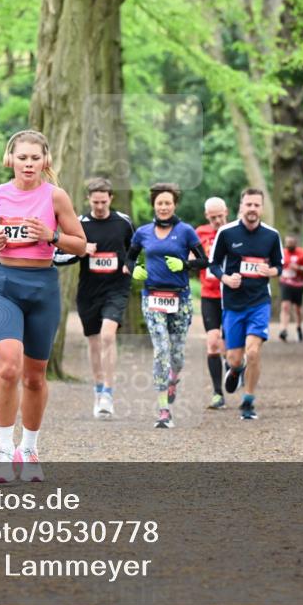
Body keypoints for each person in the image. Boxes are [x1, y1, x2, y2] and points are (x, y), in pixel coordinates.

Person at [0, 130, 87, 483]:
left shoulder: (56, 198)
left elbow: (82, 246)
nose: (28, 164)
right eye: (22, 157)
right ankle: (4, 450)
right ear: (10, 159)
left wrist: (51, 236)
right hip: (5, 285)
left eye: (34, 158)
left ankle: (30, 447)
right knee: (8, 367)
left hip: (43, 288)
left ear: (45, 161)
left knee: (35, 376)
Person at [124, 183, 208, 429]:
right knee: (161, 350)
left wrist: (185, 265)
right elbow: (129, 257)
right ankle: (163, 410)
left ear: (174, 205)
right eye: (159, 203)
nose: (163, 207)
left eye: (168, 203)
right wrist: (134, 269)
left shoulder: (186, 232)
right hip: (152, 298)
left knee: (177, 356)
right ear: (154, 205)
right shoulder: (143, 232)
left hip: (180, 298)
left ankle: (174, 377)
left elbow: (204, 260)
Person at [54, 177, 134, 420]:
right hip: (89, 291)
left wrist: (131, 266)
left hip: (116, 289)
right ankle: (98, 390)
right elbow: (57, 257)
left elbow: (136, 250)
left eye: (103, 201)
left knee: (108, 336)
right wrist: (81, 250)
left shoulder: (124, 223)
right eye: (95, 202)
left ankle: (108, 393)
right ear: (88, 199)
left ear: (110, 198)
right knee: (94, 343)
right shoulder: (79, 224)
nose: (99, 206)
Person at [208, 188, 283, 421]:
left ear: (261, 208)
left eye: (256, 205)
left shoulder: (271, 235)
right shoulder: (226, 233)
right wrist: (226, 279)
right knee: (235, 358)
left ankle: (248, 401)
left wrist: (269, 271)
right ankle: (236, 369)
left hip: (259, 302)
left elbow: (279, 266)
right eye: (248, 205)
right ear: (241, 207)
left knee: (253, 351)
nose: (252, 209)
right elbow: (213, 264)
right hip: (232, 304)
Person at [195, 197, 229, 409]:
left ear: (227, 212)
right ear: (207, 216)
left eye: (220, 216)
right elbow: (190, 255)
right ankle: (218, 393)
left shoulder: (235, 232)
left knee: (231, 344)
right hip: (209, 294)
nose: (217, 220)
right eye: (213, 217)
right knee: (213, 341)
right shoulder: (200, 233)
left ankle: (235, 367)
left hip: (232, 295)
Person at [278, 235, 303, 343]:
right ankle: (284, 329)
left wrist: (298, 268)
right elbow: (276, 265)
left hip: (298, 284)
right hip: (286, 283)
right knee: (285, 306)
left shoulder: (302, 253)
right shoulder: (282, 253)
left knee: (297, 309)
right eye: (287, 242)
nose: (289, 245)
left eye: (291, 243)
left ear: (295, 243)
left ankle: (298, 327)